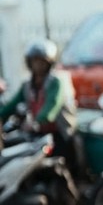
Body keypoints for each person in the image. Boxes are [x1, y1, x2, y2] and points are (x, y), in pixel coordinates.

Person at [0, 39, 78, 176]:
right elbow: (11, 106)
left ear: (49, 62)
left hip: (58, 133)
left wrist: (36, 122)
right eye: (34, 61)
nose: (37, 65)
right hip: (38, 133)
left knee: (62, 169)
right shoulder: (27, 85)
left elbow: (51, 108)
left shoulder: (56, 81)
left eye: (41, 61)